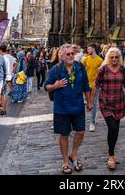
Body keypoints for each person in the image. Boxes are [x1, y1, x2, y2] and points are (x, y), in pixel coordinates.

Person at [45, 44, 91, 175]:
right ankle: (65, 161)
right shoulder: (56, 69)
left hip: (78, 106)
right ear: (62, 56)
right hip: (62, 108)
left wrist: (89, 101)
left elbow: (86, 86)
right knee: (64, 135)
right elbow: (46, 86)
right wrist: (55, 85)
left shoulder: (80, 67)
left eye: (72, 53)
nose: (71, 56)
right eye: (68, 54)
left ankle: (73, 154)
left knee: (81, 131)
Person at [88, 47, 125, 171]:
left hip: (119, 103)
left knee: (116, 130)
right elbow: (96, 86)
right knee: (112, 127)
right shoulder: (103, 69)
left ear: (119, 58)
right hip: (106, 103)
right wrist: (90, 101)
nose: (114, 59)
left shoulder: (122, 69)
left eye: (116, 57)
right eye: (111, 57)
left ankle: (112, 153)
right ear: (108, 58)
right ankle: (110, 156)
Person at [82, 44, 103, 132]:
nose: (87, 50)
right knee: (88, 103)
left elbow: (102, 73)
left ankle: (92, 122)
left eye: (89, 49)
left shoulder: (100, 60)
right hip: (86, 84)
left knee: (93, 103)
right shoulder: (85, 59)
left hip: (95, 85)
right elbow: (81, 70)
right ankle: (91, 118)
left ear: (93, 49)